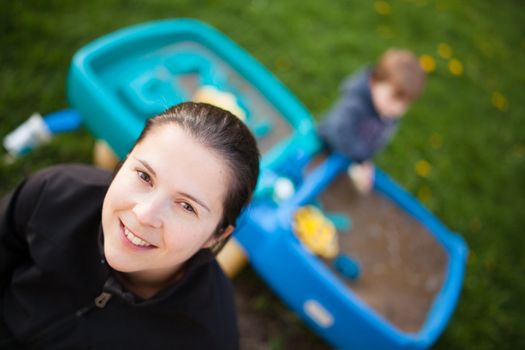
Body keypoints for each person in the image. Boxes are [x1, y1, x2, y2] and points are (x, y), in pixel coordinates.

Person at [0, 102, 260, 349]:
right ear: (125, 161)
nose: (145, 214)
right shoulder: (55, 194)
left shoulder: (208, 337)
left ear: (216, 235)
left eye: (187, 206)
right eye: (144, 176)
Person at [318, 49, 426, 193]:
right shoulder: (355, 103)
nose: (397, 109)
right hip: (323, 150)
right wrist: (359, 160)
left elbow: (377, 139)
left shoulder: (387, 111)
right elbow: (337, 132)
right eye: (393, 98)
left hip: (348, 160)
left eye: (405, 104)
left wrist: (364, 161)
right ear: (374, 81)